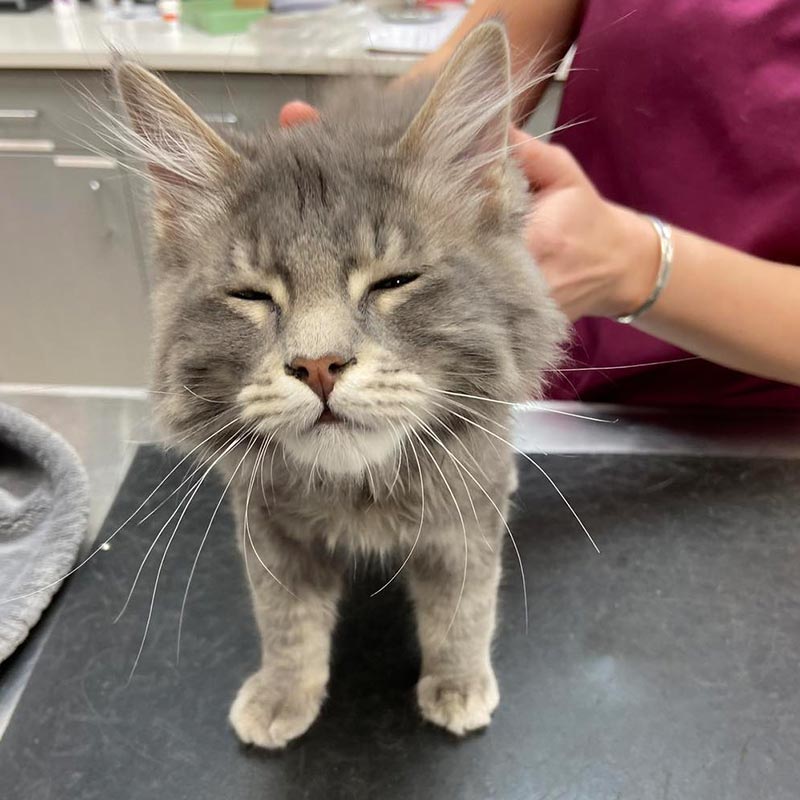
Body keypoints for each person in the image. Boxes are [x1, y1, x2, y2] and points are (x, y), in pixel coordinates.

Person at [280, 0, 800, 406]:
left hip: (765, 435)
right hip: (560, 383)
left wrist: (631, 265)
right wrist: (359, 155)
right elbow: (478, 61)